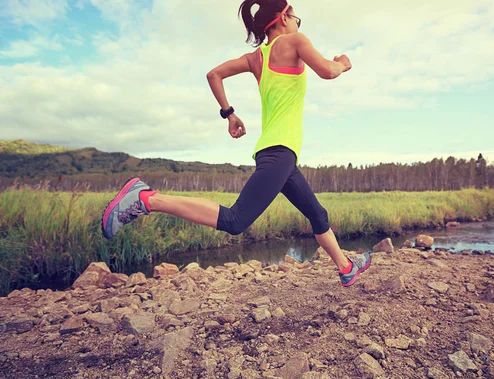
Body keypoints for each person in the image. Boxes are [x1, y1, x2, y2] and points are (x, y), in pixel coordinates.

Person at [101, 0, 371, 287]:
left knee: (317, 214)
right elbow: (328, 71)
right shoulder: (295, 40)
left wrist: (229, 114)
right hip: (279, 152)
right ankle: (147, 199)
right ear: (283, 17)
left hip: (279, 154)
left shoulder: (257, 58)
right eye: (296, 18)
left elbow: (213, 74)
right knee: (235, 220)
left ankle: (345, 267)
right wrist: (342, 63)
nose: (297, 24)